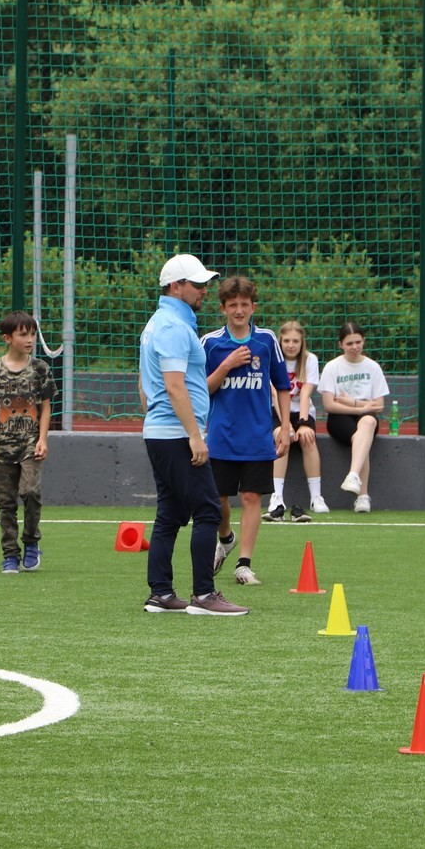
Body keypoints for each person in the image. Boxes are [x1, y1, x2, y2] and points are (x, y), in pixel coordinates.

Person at [139, 253, 248, 616]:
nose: (204, 290)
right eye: (198, 284)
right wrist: (194, 436)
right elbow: (174, 386)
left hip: (162, 431)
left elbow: (144, 384)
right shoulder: (173, 327)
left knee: (170, 513)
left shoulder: (158, 324)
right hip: (176, 434)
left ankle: (161, 594)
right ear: (176, 286)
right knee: (207, 510)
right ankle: (204, 594)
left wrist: (156, 422)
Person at [202, 276, 290, 586]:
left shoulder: (266, 340)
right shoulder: (210, 343)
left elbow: (282, 386)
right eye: (232, 305)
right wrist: (226, 365)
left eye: (244, 304)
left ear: (254, 307)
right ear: (222, 308)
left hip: (257, 436)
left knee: (252, 497)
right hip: (221, 437)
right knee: (218, 499)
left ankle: (244, 564)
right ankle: (226, 538)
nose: (238, 310)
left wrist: (285, 427)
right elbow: (202, 389)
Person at [0, 310, 55, 574]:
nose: (29, 339)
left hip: (30, 445)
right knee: (6, 502)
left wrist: (42, 439)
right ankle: (10, 554)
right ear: (7, 338)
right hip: (1, 448)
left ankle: (31, 541)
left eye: (32, 334)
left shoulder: (40, 369)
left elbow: (46, 406)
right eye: (23, 334)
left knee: (31, 492)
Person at [319, 320, 390, 514]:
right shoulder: (332, 367)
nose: (354, 347)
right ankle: (363, 494)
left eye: (358, 342)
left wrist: (352, 402)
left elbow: (379, 405)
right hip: (339, 419)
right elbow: (329, 405)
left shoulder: (373, 367)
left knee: (368, 423)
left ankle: (353, 477)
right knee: (362, 436)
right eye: (349, 343)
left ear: (364, 341)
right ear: (340, 344)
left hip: (365, 417)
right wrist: (361, 408)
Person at [268, 319, 328, 522]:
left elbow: (305, 394)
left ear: (302, 343)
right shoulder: (272, 359)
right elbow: (275, 394)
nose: (291, 345)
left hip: (301, 411)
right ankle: (277, 497)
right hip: (277, 410)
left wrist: (302, 424)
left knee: (307, 438)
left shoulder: (310, 360)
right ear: (280, 341)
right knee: (281, 438)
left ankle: (316, 497)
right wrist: (286, 426)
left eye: (295, 341)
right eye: (286, 341)